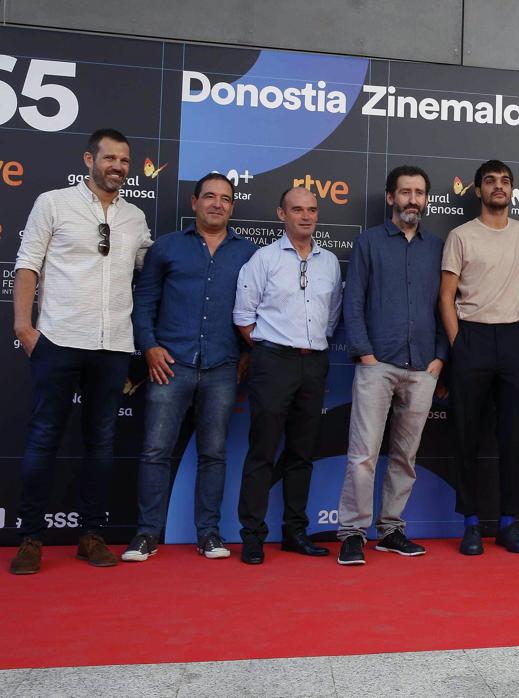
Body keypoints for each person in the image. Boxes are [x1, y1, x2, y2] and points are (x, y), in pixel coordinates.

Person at [9, 128, 153, 575]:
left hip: (113, 347)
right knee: (43, 438)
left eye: (124, 160)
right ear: (89, 159)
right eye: (109, 158)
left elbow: (149, 277)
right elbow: (27, 265)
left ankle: (91, 534)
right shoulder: (53, 203)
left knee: (102, 444)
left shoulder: (135, 218)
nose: (118, 167)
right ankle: (30, 537)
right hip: (58, 340)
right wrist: (24, 328)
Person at [120, 173, 256, 563]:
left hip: (223, 367)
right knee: (155, 452)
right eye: (209, 196)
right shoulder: (165, 248)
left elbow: (258, 312)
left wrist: (248, 356)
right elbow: (143, 304)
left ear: (232, 205)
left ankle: (209, 534)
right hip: (170, 365)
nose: (217, 203)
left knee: (214, 454)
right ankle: (146, 534)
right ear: (194, 201)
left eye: (225, 198)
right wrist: (149, 347)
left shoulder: (248, 253)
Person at [336, 166, 446, 566]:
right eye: (405, 192)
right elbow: (354, 301)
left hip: (422, 367)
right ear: (390, 198)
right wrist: (364, 353)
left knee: (405, 456)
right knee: (363, 454)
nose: (412, 199)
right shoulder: (368, 243)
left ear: (426, 200)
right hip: (376, 363)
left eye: (419, 192)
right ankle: (351, 533)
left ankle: (391, 530)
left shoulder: (437, 247)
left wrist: (438, 358)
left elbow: (445, 305)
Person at [233, 187, 342, 565]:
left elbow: (332, 317)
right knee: (262, 451)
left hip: (314, 364)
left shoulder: (330, 262)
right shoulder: (263, 259)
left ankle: (295, 532)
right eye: (297, 209)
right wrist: (273, 347)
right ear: (282, 214)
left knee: (302, 454)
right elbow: (244, 318)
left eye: (312, 209)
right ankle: (252, 536)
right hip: (272, 361)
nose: (306, 216)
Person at [440, 160, 519, 555]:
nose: (499, 187)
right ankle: (471, 523)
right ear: (478, 190)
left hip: (514, 338)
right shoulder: (461, 235)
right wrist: (459, 344)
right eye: (491, 181)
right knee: (467, 437)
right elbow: (446, 296)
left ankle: (509, 524)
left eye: (505, 181)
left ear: (512, 190)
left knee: (513, 438)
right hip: (472, 337)